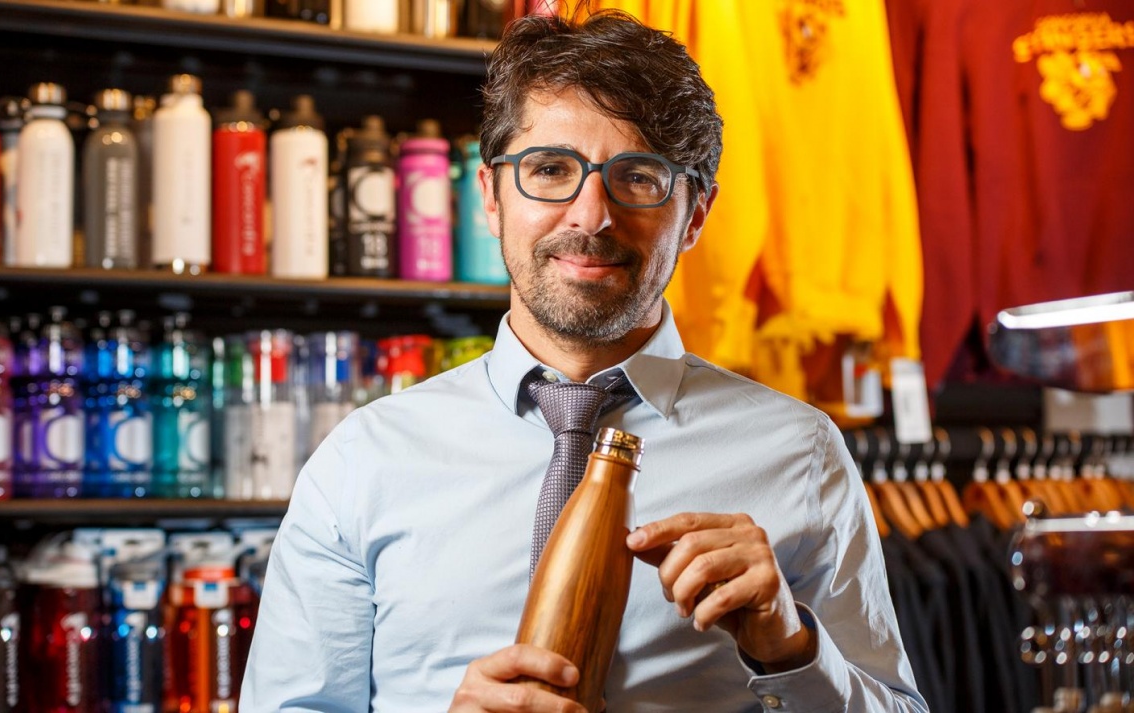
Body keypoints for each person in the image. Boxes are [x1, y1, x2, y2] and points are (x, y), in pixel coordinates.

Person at [241, 8, 927, 713]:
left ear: (695, 216)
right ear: (489, 196)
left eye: (638, 177)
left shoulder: (801, 454)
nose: (590, 214)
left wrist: (790, 647)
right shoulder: (363, 460)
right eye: (549, 169)